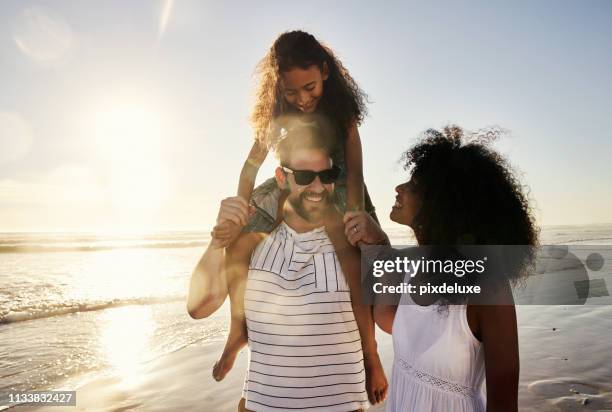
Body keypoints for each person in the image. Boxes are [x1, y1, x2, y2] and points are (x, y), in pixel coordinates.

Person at [210, 30, 387, 403]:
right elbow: (249, 167)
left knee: (354, 262)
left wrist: (354, 211)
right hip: (293, 185)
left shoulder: (342, 111)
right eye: (292, 92)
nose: (302, 99)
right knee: (238, 246)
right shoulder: (276, 114)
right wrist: (241, 207)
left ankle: (371, 357)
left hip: (338, 187)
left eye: (309, 87)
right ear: (279, 88)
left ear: (324, 72)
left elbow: (354, 168)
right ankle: (237, 330)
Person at [187, 115, 385, 411]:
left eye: (326, 176)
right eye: (305, 177)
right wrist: (218, 240)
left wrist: (373, 360)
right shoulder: (255, 236)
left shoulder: (348, 237)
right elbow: (198, 308)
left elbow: (390, 302)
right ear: (282, 178)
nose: (318, 186)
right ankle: (236, 334)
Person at [343, 126, 539, 411]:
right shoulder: (415, 266)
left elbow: (505, 405)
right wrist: (380, 245)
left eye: (413, 185)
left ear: (441, 204)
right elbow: (388, 319)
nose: (399, 188)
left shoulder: (488, 288)